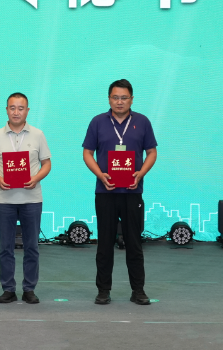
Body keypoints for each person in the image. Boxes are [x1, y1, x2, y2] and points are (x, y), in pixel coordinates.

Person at [82, 79, 157, 306]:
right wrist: (100, 175)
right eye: (115, 97)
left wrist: (140, 173)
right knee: (105, 243)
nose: (119, 101)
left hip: (132, 192)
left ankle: (138, 290)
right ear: (109, 99)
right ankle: (103, 290)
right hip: (105, 192)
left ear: (131, 99)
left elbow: (152, 152)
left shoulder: (142, 122)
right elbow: (87, 153)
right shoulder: (97, 122)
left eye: (124, 98)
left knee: (134, 243)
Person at [0, 92, 51, 304]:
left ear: (27, 111)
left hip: (31, 199)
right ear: (6, 110)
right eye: (12, 108)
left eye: (20, 108)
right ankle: (8, 289)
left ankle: (29, 289)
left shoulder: (38, 135)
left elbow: (46, 163)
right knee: (5, 247)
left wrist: (36, 178)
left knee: (32, 247)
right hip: (4, 200)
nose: (16, 112)